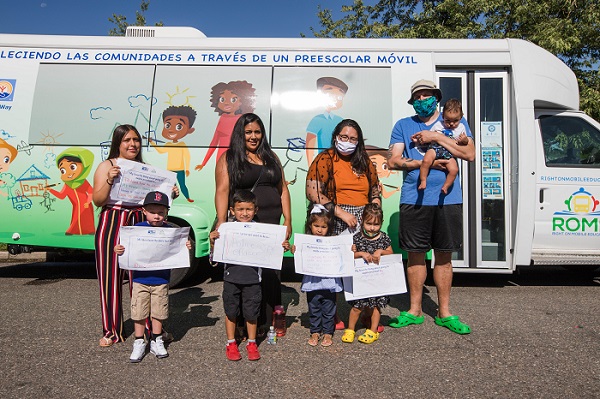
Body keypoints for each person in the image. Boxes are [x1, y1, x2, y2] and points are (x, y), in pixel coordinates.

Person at [387, 79, 475, 334]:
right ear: (413, 101)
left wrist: (436, 136)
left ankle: (444, 312)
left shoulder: (455, 122)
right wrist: (422, 164)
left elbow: (469, 154)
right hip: (414, 199)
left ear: (436, 97)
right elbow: (393, 161)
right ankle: (414, 310)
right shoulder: (403, 125)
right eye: (418, 97)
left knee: (444, 256)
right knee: (415, 255)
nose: (423, 100)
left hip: (448, 200)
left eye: (427, 96)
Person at [92, 124, 179, 347]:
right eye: (127, 140)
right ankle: (111, 330)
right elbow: (98, 200)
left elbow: (156, 203)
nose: (132, 144)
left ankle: (150, 329)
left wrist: (171, 194)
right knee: (109, 277)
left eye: (136, 140)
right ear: (118, 143)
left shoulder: (146, 169)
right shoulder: (107, 165)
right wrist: (110, 179)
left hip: (139, 220)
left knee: (140, 276)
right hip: (112, 219)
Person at [214, 113, 292, 331]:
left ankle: (266, 322)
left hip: (272, 224)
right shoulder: (229, 158)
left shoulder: (271, 157)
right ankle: (243, 324)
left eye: (257, 132)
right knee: (247, 275)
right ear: (240, 133)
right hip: (245, 224)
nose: (253, 136)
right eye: (248, 132)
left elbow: (283, 189)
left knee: (270, 272)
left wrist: (288, 219)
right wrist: (221, 221)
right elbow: (222, 191)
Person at [306, 118, 381, 330]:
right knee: (334, 270)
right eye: (344, 137)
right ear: (336, 137)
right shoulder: (325, 158)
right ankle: (333, 315)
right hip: (334, 218)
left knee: (363, 267)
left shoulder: (364, 161)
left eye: (353, 139)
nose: (347, 142)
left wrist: (374, 213)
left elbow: (374, 190)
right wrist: (342, 214)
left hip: (363, 219)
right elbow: (313, 192)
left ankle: (367, 314)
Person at [210, 189, 289, 361]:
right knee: (231, 312)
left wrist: (280, 246)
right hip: (231, 279)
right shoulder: (225, 230)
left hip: (253, 280)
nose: (244, 213)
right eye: (240, 209)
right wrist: (213, 242)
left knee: (252, 313)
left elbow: (271, 252)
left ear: (256, 210)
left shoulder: (261, 231)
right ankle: (231, 343)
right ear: (232, 210)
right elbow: (213, 260)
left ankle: (251, 343)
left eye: (248, 209)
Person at [114, 191, 192, 362]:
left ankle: (156, 339)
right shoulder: (137, 230)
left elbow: (178, 249)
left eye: (161, 213)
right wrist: (119, 249)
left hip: (161, 280)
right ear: (144, 211)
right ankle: (139, 341)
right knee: (139, 312)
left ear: (166, 213)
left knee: (159, 311)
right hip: (140, 280)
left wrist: (185, 245)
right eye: (153, 212)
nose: (156, 216)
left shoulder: (171, 231)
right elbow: (124, 248)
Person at [341, 203, 393, 344]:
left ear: (381, 223)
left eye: (376, 224)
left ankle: (373, 331)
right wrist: (361, 253)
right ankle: (350, 329)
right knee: (357, 306)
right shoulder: (357, 238)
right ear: (362, 221)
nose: (372, 227)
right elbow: (349, 255)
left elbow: (391, 254)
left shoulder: (384, 238)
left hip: (378, 281)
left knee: (376, 306)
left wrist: (381, 251)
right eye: (368, 223)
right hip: (361, 280)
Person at [291, 204, 342, 347]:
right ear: (310, 225)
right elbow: (300, 260)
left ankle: (327, 333)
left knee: (329, 309)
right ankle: (315, 331)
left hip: (329, 284)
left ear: (329, 228)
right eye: (316, 226)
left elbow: (342, 255)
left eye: (323, 227)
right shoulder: (306, 242)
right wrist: (296, 251)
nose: (319, 230)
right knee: (314, 309)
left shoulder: (333, 241)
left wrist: (348, 249)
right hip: (312, 283)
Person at [196, 80, 256, 171]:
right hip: (221, 157)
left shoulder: (242, 119)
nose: (227, 103)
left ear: (242, 101)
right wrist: (203, 163)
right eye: (222, 99)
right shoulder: (223, 118)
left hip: (237, 156)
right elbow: (214, 142)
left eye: (233, 99)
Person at [418, 99, 469, 194]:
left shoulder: (461, 127)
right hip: (435, 148)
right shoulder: (438, 125)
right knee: (426, 161)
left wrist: (464, 139)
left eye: (455, 121)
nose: (451, 124)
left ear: (461, 117)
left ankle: (446, 186)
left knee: (454, 169)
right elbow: (429, 136)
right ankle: (423, 181)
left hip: (449, 152)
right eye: (448, 120)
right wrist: (421, 139)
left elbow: (466, 143)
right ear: (443, 117)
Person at [150, 105, 197, 202]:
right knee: (170, 186)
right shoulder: (168, 144)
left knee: (182, 184)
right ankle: (168, 199)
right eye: (167, 125)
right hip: (170, 170)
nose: (171, 130)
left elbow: (187, 157)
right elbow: (161, 151)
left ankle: (187, 197)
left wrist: (187, 168)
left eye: (178, 126)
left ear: (190, 130)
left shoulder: (182, 144)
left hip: (180, 169)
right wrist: (152, 142)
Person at [47, 147, 95, 235]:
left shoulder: (83, 182)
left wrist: (88, 202)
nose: (68, 173)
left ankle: (90, 231)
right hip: (76, 206)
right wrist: (50, 190)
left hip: (86, 205)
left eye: (72, 167)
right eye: (63, 170)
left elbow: (91, 192)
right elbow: (61, 196)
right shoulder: (67, 185)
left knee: (87, 220)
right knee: (76, 219)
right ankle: (72, 231)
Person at [305, 76, 348, 166]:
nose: (335, 99)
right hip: (323, 161)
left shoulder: (341, 121)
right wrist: (310, 165)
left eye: (339, 97)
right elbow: (310, 143)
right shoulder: (317, 120)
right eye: (331, 95)